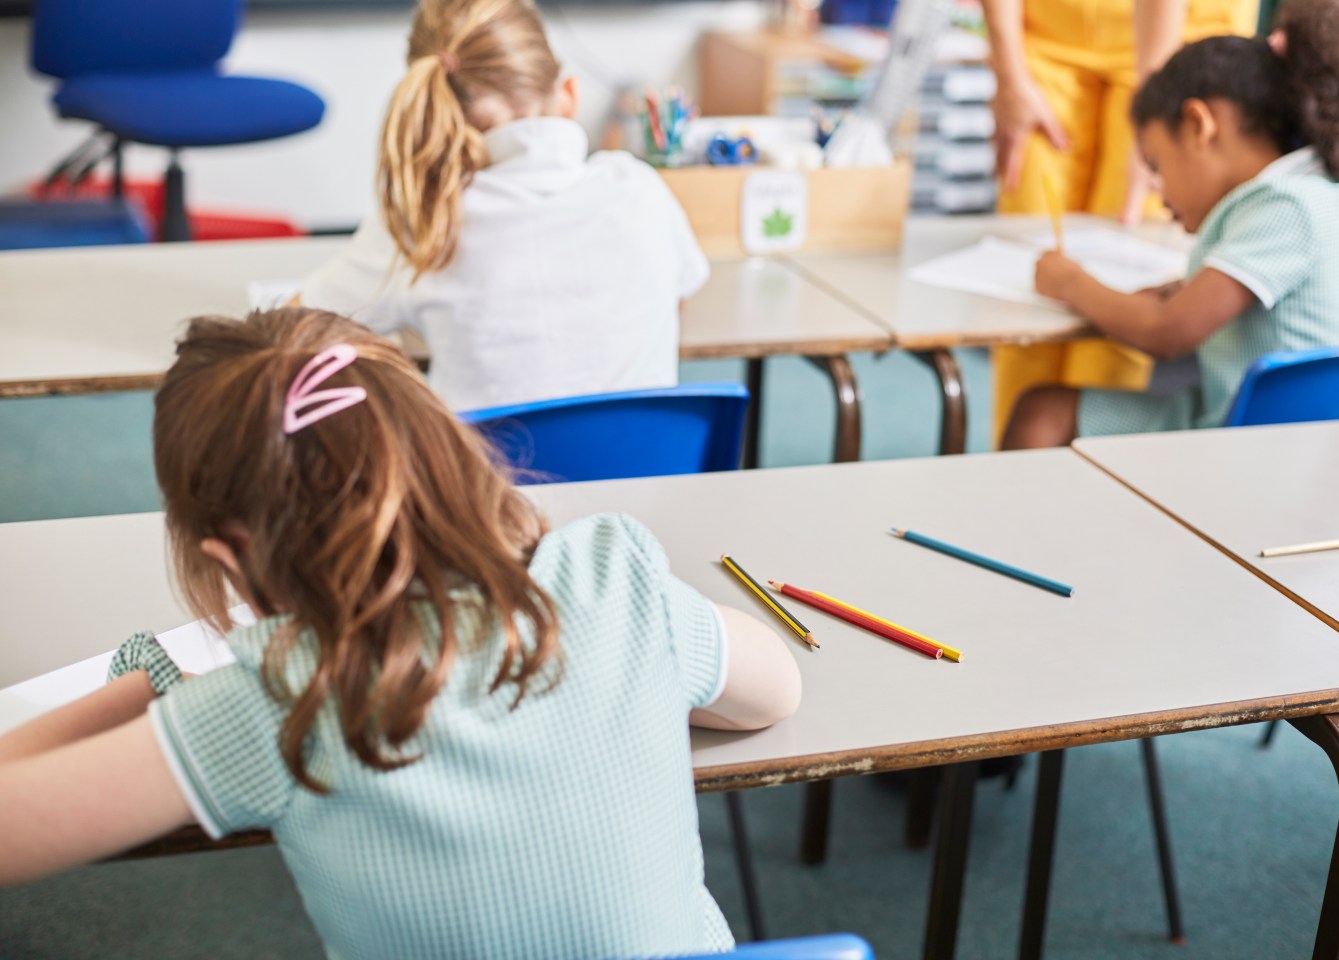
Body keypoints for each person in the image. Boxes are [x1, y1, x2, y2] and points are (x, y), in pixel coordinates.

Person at [0, 308, 802, 960]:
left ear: (229, 556)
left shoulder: (279, 696)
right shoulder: (611, 578)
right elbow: (775, 691)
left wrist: (157, 679)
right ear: (448, 451)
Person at [1002, 0, 1339, 448]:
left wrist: (1071, 282)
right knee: (1045, 407)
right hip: (1285, 429)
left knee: (1042, 413)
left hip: (1271, 443)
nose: (1157, 187)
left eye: (1157, 163)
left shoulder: (1287, 206)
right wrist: (1184, 287)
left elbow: (1165, 333)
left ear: (1198, 125)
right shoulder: (1306, 192)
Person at [300, 0, 709, 413]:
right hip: (647, 474)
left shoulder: (426, 222)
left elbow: (298, 328)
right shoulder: (640, 189)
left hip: (487, 478)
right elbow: (680, 295)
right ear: (569, 95)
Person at [981, 0, 1259, 444]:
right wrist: (1009, 72)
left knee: (1131, 267)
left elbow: (1163, 330)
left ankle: (1100, 476)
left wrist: (1152, 117)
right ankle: (1022, 476)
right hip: (1053, 36)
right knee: (1027, 282)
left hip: (1177, 39)